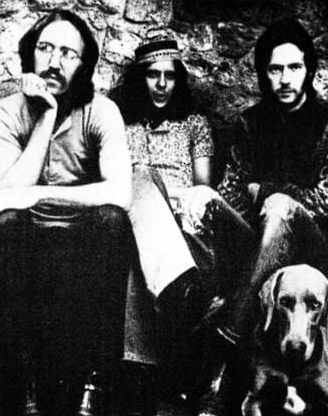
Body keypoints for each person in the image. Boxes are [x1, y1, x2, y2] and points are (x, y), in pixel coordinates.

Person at [196, 17, 328, 415]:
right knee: (207, 201)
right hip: (258, 247)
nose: (285, 79)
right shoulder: (249, 123)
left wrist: (268, 192)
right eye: (274, 69)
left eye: (294, 67)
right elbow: (232, 194)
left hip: (311, 251)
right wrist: (258, 207)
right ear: (263, 73)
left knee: (280, 205)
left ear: (309, 70)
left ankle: (223, 348)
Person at [0, 9, 132, 416]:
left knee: (112, 221)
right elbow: (10, 192)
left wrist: (37, 195)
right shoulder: (4, 112)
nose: (53, 61)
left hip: (81, 236)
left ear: (84, 65)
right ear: (29, 55)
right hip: (27, 235)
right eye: (45, 48)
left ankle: (93, 384)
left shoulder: (102, 111)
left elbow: (120, 193)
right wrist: (47, 114)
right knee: (6, 222)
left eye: (68, 53)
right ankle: (25, 386)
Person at [111, 35, 253, 411]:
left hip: (188, 229)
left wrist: (172, 200)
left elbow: (201, 190)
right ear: (139, 79)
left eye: (170, 76)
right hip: (141, 224)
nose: (162, 84)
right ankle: (180, 293)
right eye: (152, 75)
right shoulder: (121, 126)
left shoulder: (194, 125)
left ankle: (140, 377)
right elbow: (119, 185)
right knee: (139, 179)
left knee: (140, 246)